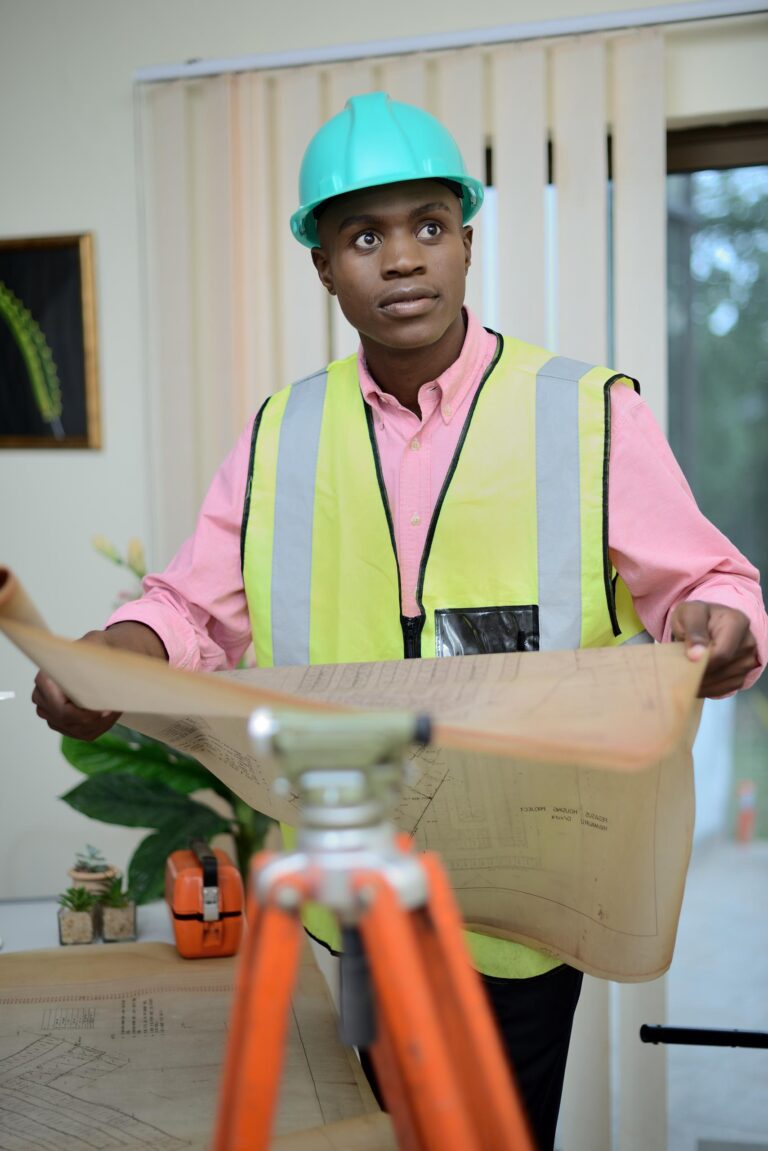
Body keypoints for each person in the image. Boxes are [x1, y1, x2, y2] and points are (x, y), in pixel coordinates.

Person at [33, 93, 766, 1149]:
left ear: (468, 242)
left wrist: (718, 621)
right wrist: (113, 660)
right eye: (363, 235)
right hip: (354, 896)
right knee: (378, 1132)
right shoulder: (281, 432)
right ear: (324, 266)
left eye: (429, 226)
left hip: (527, 896)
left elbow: (710, 580)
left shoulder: (589, 409)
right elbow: (188, 606)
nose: (402, 258)